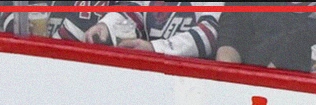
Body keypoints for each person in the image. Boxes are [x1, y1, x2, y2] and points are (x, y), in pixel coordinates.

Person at [84, 1, 221, 59]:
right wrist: (107, 26)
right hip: (150, 74)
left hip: (195, 82)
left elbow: (210, 34)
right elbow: (134, 11)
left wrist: (155, 48)